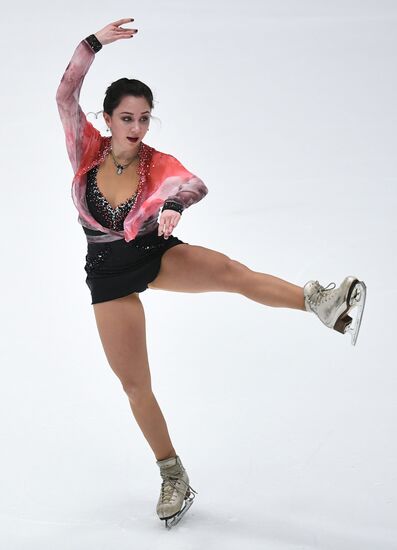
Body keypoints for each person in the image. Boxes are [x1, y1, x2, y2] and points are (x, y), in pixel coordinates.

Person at [55, 18, 367, 528]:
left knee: (229, 272)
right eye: (127, 118)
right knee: (136, 384)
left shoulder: (157, 161)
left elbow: (193, 184)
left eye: (145, 119)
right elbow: (65, 95)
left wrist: (175, 203)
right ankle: (172, 474)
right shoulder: (85, 149)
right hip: (108, 277)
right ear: (107, 118)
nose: (136, 128)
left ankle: (321, 301)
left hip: (154, 254)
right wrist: (93, 44)